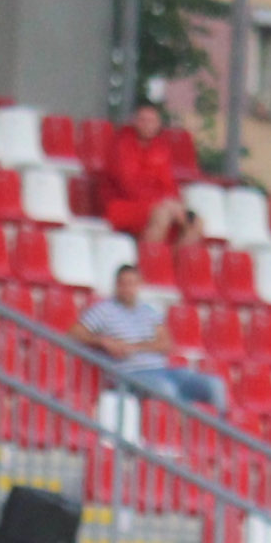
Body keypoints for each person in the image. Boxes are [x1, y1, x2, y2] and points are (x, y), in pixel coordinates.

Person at [73, 265, 226, 412]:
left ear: (139, 285)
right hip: (129, 374)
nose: (127, 288)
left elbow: (166, 344)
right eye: (123, 283)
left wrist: (134, 347)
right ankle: (180, 424)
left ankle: (220, 427)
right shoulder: (103, 310)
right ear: (116, 285)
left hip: (162, 369)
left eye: (131, 283)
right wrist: (103, 342)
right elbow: (75, 333)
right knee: (165, 389)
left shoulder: (149, 311)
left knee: (214, 385)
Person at [98, 99, 194, 249]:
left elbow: (169, 185)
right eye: (143, 120)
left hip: (156, 206)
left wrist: (175, 205)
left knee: (194, 222)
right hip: (122, 206)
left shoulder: (161, 148)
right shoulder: (121, 145)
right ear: (134, 121)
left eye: (152, 121)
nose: (147, 125)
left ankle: (173, 261)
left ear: (158, 124)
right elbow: (129, 187)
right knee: (162, 214)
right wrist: (163, 204)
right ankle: (149, 260)